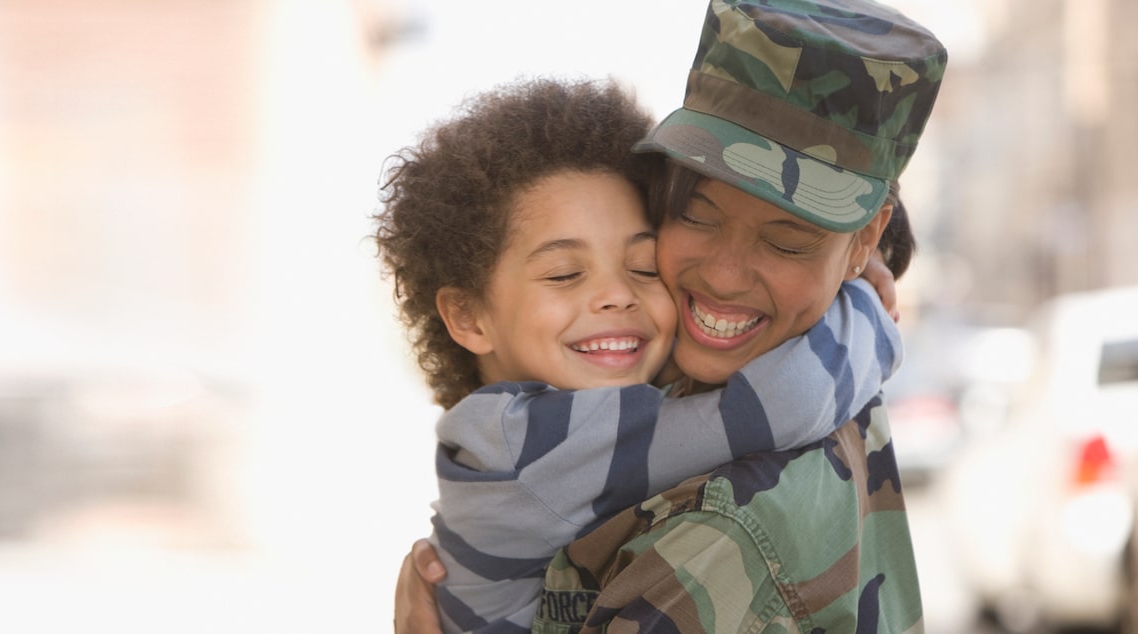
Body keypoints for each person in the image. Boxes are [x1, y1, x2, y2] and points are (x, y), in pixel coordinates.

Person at [395, 0, 947, 632]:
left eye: (789, 240)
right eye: (693, 213)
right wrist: (869, 311)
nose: (722, 275)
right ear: (467, 315)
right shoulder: (538, 443)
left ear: (859, 239)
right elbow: (784, 399)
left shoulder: (713, 524)